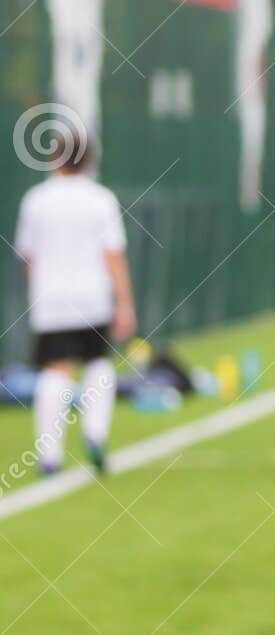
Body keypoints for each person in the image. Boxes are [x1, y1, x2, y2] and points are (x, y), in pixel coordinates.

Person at [15, 128, 135, 477]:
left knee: (54, 369)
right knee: (97, 363)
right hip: (93, 297)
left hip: (50, 298)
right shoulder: (101, 199)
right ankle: (95, 434)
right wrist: (124, 302)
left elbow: (28, 256)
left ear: (55, 159)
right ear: (89, 161)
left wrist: (38, 291)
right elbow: (114, 255)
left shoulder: (35, 200)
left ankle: (49, 456)